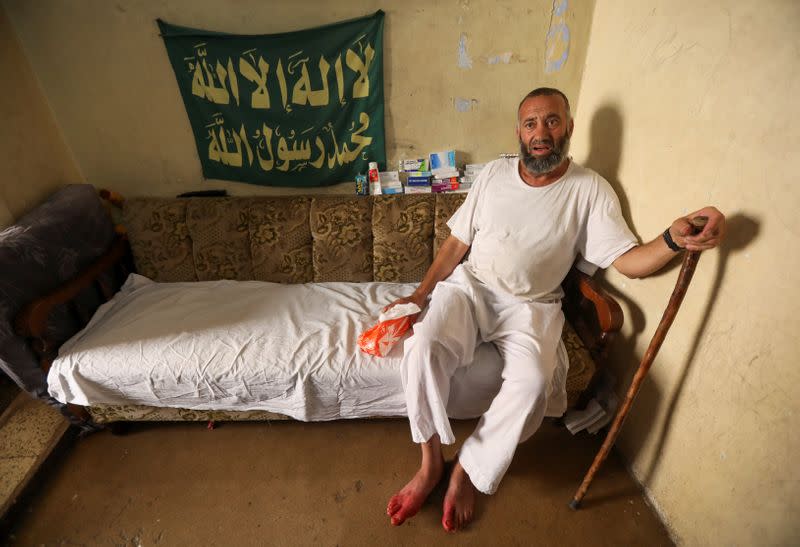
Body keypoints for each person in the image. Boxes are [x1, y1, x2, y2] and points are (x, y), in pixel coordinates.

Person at [384, 87, 726, 532]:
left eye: (551, 121)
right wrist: (421, 294)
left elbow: (628, 262)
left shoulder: (590, 189)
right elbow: (455, 244)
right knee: (422, 345)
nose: (541, 133)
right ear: (519, 132)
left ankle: (468, 468)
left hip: (533, 306)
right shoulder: (492, 175)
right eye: (531, 123)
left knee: (533, 385)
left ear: (567, 126)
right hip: (473, 288)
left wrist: (673, 239)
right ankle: (430, 464)